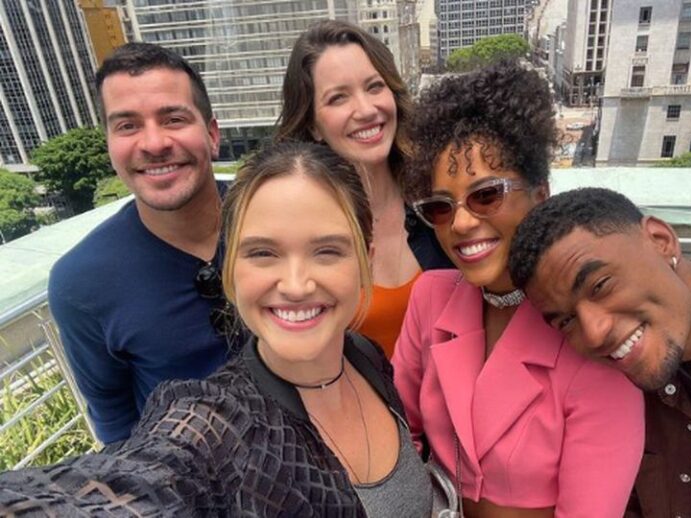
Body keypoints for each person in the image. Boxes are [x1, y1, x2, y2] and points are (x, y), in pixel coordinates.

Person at [0, 141, 434, 517]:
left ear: (365, 259)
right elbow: (145, 478)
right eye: (263, 253)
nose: (296, 284)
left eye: (327, 251)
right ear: (230, 268)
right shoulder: (215, 424)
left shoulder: (365, 356)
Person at [392, 60, 645, 517]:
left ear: (540, 195)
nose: (462, 223)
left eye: (486, 195)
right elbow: (395, 435)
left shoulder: (593, 333)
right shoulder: (430, 299)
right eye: (441, 207)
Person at [509, 187, 691, 518]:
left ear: (661, 241)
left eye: (600, 285)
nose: (594, 333)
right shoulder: (610, 390)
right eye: (567, 320)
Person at [47, 42, 243, 444]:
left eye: (173, 119)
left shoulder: (276, 216)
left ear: (212, 134)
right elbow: (116, 423)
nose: (154, 144)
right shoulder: (81, 283)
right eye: (127, 126)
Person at [275, 19, 451, 357]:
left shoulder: (439, 198)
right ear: (313, 124)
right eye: (338, 98)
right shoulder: (299, 229)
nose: (367, 110)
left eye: (374, 87)